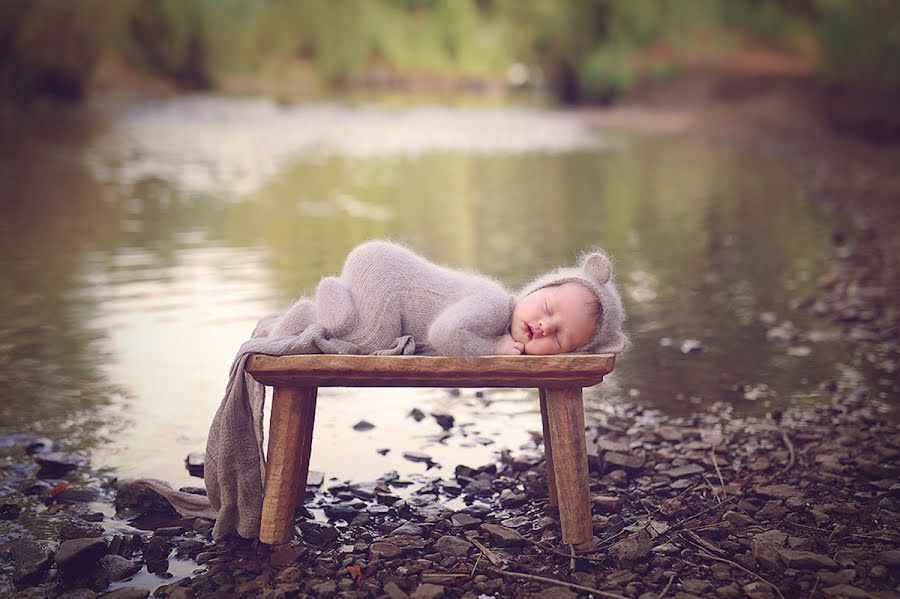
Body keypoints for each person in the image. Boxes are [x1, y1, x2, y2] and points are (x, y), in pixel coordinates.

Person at [266, 239, 628, 356]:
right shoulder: (494, 304)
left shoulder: (500, 318)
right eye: (548, 308)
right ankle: (321, 312)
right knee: (368, 342)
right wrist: (494, 352)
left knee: (379, 337)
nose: (545, 325)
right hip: (383, 274)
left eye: (561, 337)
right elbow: (445, 335)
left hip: (383, 265)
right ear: (535, 290)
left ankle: (343, 304)